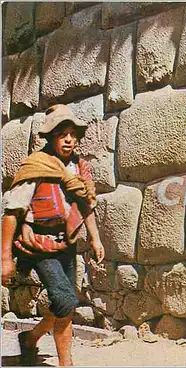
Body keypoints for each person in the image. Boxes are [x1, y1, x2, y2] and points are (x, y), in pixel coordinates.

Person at [1, 104, 105, 366]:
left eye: (72, 134)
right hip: (37, 245)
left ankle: (30, 338)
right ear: (50, 137)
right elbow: (12, 212)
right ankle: (65, 364)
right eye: (62, 134)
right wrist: (4, 257)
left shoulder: (79, 168)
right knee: (65, 300)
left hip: (66, 244)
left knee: (64, 304)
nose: (69, 139)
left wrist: (95, 238)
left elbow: (86, 205)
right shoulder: (36, 166)